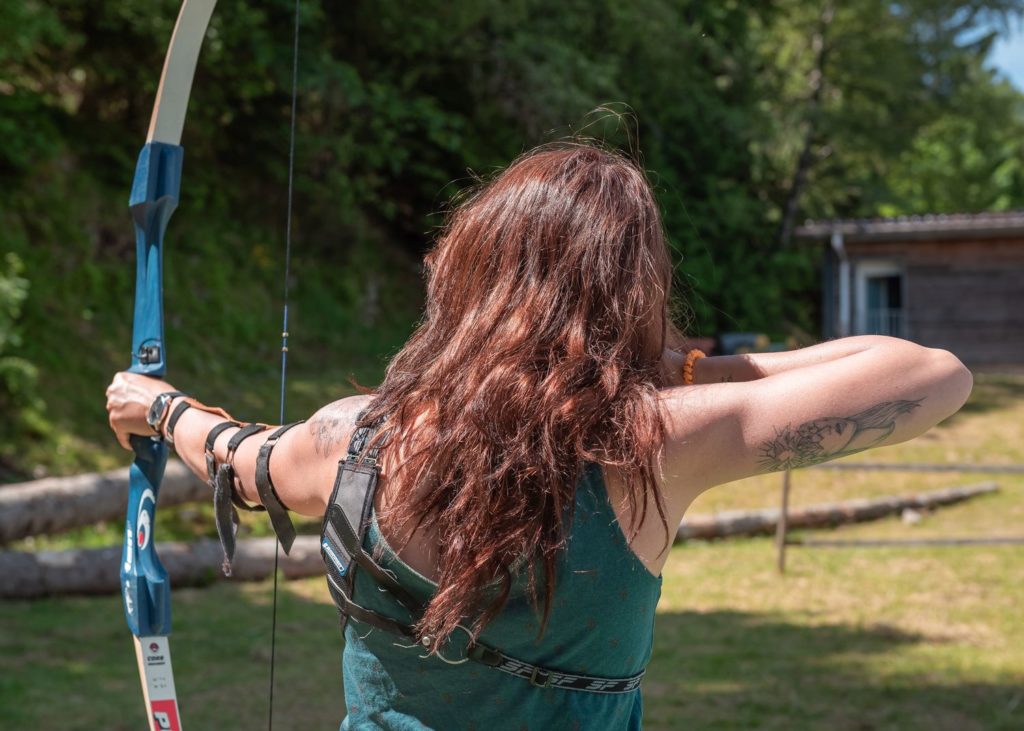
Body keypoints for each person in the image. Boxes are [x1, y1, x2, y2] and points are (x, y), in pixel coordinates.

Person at [106, 142, 973, 730]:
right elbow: (932, 372)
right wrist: (667, 369)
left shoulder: (348, 435)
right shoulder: (650, 446)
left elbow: (241, 459)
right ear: (627, 302)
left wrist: (161, 409)